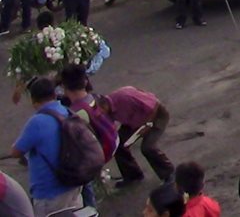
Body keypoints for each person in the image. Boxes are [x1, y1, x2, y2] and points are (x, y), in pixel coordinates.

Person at [9, 77, 83, 216]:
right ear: (55, 95)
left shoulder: (37, 122)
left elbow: (16, 152)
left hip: (50, 193)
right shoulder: (67, 112)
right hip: (74, 184)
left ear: (33, 101)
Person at [60, 66, 117, 209]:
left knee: (84, 182)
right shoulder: (95, 98)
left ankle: (90, 208)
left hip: (96, 152)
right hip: (111, 141)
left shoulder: (76, 113)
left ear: (65, 88)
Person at [98, 86, 173, 188]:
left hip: (155, 116)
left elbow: (154, 104)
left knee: (148, 147)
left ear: (104, 105)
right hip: (134, 122)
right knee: (118, 144)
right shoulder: (108, 110)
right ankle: (133, 175)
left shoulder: (125, 97)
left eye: (101, 111)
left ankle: (170, 174)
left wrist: (147, 124)